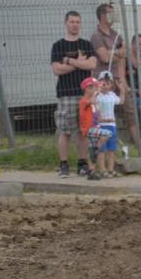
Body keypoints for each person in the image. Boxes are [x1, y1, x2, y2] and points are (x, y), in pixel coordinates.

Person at [51, 11, 97, 178]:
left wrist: (69, 61)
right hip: (66, 94)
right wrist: (79, 63)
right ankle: (64, 165)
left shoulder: (86, 44)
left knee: (84, 130)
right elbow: (57, 69)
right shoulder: (58, 46)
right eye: (72, 21)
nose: (75, 25)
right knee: (65, 131)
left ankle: (82, 164)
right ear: (66, 23)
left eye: (78, 22)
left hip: (85, 95)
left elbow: (92, 64)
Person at [90, 3, 140, 147]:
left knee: (129, 111)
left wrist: (123, 80)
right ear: (102, 16)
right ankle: (103, 145)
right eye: (110, 13)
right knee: (103, 113)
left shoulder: (116, 35)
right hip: (103, 82)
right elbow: (105, 58)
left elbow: (125, 57)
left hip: (117, 79)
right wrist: (118, 53)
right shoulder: (96, 36)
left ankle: (138, 143)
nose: (114, 15)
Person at [77, 76, 111, 181]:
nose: (94, 89)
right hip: (89, 130)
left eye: (95, 87)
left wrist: (106, 120)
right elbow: (90, 101)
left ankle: (91, 171)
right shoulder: (83, 101)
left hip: (94, 128)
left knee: (92, 151)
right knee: (107, 134)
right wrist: (97, 91)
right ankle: (97, 148)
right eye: (91, 87)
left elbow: (96, 117)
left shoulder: (93, 103)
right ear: (85, 89)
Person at [95, 70, 124, 178]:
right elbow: (93, 101)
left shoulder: (112, 95)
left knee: (112, 149)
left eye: (108, 83)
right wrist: (97, 90)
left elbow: (121, 101)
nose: (105, 86)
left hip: (112, 125)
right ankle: (102, 170)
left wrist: (122, 90)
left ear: (111, 84)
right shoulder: (97, 96)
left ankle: (110, 170)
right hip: (101, 126)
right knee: (102, 149)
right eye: (103, 83)